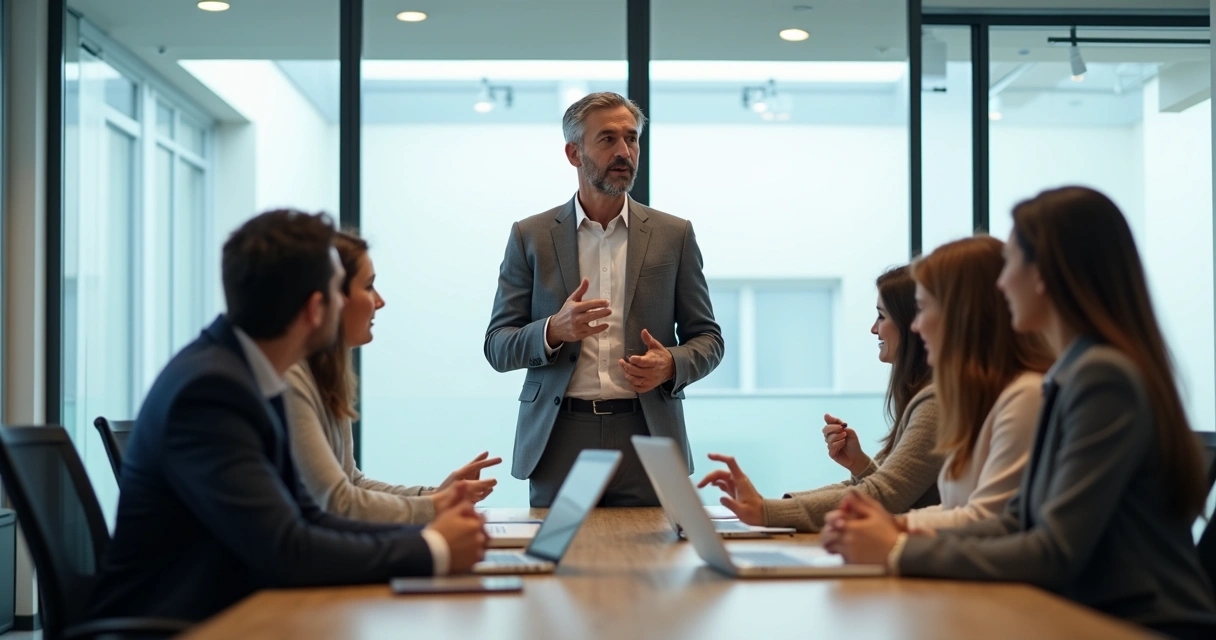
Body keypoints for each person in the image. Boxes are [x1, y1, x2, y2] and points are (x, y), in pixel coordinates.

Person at [824, 187, 1216, 638]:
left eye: (1010, 262)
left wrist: (896, 549)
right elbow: (1015, 522)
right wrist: (892, 530)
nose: (1001, 282)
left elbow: (1054, 551)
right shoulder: (1073, 373)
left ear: (1045, 274)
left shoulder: (1100, 377)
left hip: (1135, 624)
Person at [89, 210, 488, 624]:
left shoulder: (252, 375)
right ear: (316, 308)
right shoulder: (210, 391)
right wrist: (433, 548)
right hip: (179, 626)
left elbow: (308, 516)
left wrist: (428, 536)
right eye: (341, 290)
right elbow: (286, 548)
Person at [701, 237, 1051, 533]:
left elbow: (891, 497)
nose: (917, 326)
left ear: (963, 315)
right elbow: (919, 502)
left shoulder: (973, 399)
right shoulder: (967, 396)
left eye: (924, 309)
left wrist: (768, 512)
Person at [484, 92, 723, 507]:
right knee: (561, 562)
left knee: (654, 565)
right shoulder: (531, 236)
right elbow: (497, 346)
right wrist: (552, 331)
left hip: (647, 434)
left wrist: (671, 363)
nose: (624, 152)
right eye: (608, 139)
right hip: (560, 439)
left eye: (632, 139)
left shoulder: (674, 235)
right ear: (574, 153)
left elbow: (709, 339)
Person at [702, 265, 943, 532]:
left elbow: (885, 497)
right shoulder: (926, 397)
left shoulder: (936, 404)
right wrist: (860, 465)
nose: (874, 329)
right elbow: (890, 494)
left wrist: (767, 512)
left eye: (881, 317)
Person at [286, 231, 502, 524]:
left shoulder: (327, 374)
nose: (380, 301)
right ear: (332, 298)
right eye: (369, 286)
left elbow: (352, 483)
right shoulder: (292, 379)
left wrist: (435, 495)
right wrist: (438, 506)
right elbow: (338, 501)